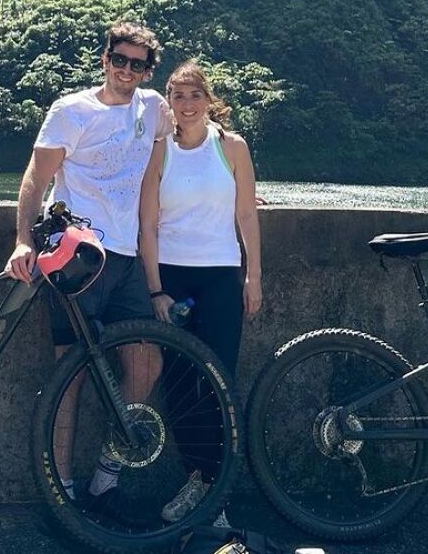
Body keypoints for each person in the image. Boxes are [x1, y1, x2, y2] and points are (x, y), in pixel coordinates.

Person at [5, 21, 171, 505]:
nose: (126, 70)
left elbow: (194, 125)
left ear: (148, 71)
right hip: (76, 258)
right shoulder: (72, 110)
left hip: (126, 257)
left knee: (147, 362)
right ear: (105, 59)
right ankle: (63, 491)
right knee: (70, 374)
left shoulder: (152, 108)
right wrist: (22, 240)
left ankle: (107, 476)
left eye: (137, 64)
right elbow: (35, 179)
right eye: (119, 59)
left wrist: (238, 184)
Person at [138, 60, 262, 525]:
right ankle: (197, 479)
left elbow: (246, 215)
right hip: (173, 279)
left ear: (209, 100)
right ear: (169, 102)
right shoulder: (160, 151)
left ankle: (216, 494)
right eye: (178, 96)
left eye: (195, 95)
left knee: (218, 383)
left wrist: (254, 276)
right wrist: (155, 290)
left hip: (221, 277)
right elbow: (148, 226)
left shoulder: (232, 147)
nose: (187, 105)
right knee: (178, 384)